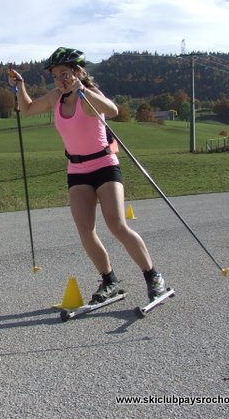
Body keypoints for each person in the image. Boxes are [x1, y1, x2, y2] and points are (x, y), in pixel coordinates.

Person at [8, 47, 167, 303]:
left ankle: (153, 276)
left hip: (104, 165)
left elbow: (113, 110)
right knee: (85, 230)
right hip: (77, 170)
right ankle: (109, 280)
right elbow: (26, 110)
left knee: (117, 225)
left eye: (66, 73)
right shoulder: (55, 97)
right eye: (56, 75)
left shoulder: (89, 96)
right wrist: (20, 86)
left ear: (78, 72)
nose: (61, 79)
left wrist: (83, 89)